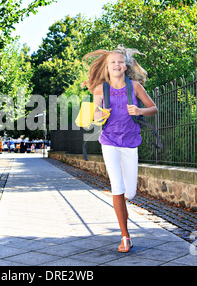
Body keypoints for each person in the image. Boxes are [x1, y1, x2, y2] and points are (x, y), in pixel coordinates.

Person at [81, 45, 158, 253]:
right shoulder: (100, 89)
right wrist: (99, 114)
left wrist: (139, 109)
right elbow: (94, 117)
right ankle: (125, 236)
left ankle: (122, 209)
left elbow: (154, 108)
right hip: (109, 142)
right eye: (112, 62)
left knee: (130, 193)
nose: (116, 65)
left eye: (120, 62)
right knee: (117, 187)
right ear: (106, 67)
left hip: (130, 142)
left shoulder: (135, 87)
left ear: (125, 66)